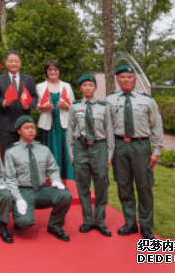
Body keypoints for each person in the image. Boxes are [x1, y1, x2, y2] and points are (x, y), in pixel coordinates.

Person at [105, 65, 163, 240]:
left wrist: (156, 150)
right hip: (119, 146)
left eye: (129, 77)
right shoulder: (110, 100)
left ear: (135, 79)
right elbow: (106, 127)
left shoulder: (147, 100)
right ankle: (130, 223)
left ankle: (145, 225)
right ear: (117, 80)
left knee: (144, 186)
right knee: (124, 186)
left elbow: (156, 126)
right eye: (122, 77)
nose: (126, 80)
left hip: (141, 146)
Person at [4, 115, 72, 242]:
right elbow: (10, 179)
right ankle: (19, 218)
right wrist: (18, 199)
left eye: (32, 127)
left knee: (65, 195)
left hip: (41, 190)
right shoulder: (11, 152)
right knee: (24, 223)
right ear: (19, 131)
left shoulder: (44, 149)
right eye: (27, 128)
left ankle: (55, 226)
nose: (31, 130)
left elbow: (53, 169)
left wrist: (56, 180)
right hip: (23, 192)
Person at [67, 74, 114, 237]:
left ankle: (100, 221)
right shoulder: (74, 107)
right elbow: (71, 130)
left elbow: (109, 131)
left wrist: (110, 153)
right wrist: (71, 152)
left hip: (99, 147)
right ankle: (87, 220)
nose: (88, 88)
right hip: (80, 148)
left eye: (90, 85)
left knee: (101, 185)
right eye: (84, 85)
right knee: (83, 185)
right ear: (80, 88)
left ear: (95, 88)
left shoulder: (104, 107)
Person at [0, 51, 37, 157]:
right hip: (6, 122)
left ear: (20, 63)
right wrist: (3, 102)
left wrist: (30, 105)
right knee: (7, 154)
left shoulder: (28, 79)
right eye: (11, 61)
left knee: (25, 154)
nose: (13, 64)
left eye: (16, 61)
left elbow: (34, 97)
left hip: (24, 123)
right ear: (5, 62)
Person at [36, 59, 74, 180]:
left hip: (63, 125)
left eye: (55, 69)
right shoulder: (40, 86)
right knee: (50, 153)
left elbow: (73, 106)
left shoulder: (66, 86)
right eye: (50, 69)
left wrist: (66, 106)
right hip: (48, 125)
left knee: (65, 154)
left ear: (59, 71)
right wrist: (43, 106)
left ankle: (67, 181)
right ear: (46, 71)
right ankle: (50, 181)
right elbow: (36, 105)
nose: (53, 72)